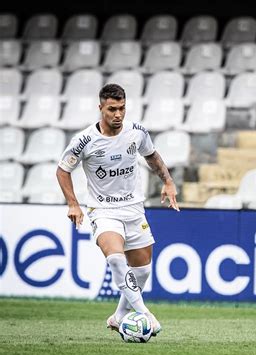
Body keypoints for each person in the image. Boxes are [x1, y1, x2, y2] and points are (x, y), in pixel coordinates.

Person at [56, 83, 180, 337]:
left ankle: (120, 316)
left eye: (122, 108)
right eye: (112, 109)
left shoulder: (136, 132)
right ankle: (144, 314)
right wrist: (73, 203)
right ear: (100, 107)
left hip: (134, 209)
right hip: (103, 211)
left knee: (143, 270)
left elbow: (152, 156)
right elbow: (62, 170)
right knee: (115, 258)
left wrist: (167, 182)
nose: (118, 115)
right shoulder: (84, 140)